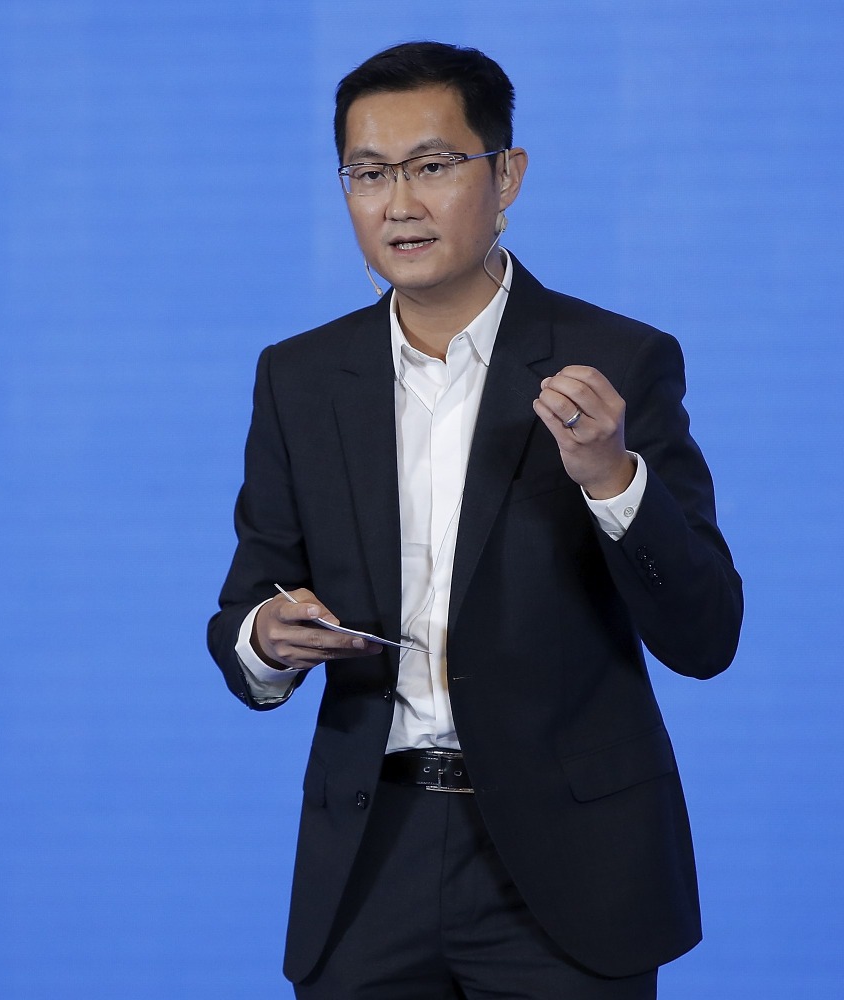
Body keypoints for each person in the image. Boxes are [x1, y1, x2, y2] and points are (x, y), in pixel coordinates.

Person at [207, 41, 742, 999]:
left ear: (507, 177)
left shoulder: (617, 360)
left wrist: (613, 478)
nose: (398, 203)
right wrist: (266, 639)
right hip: (369, 855)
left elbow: (706, 635)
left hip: (569, 864)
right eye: (368, 173)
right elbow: (247, 607)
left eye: (432, 165)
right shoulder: (298, 377)